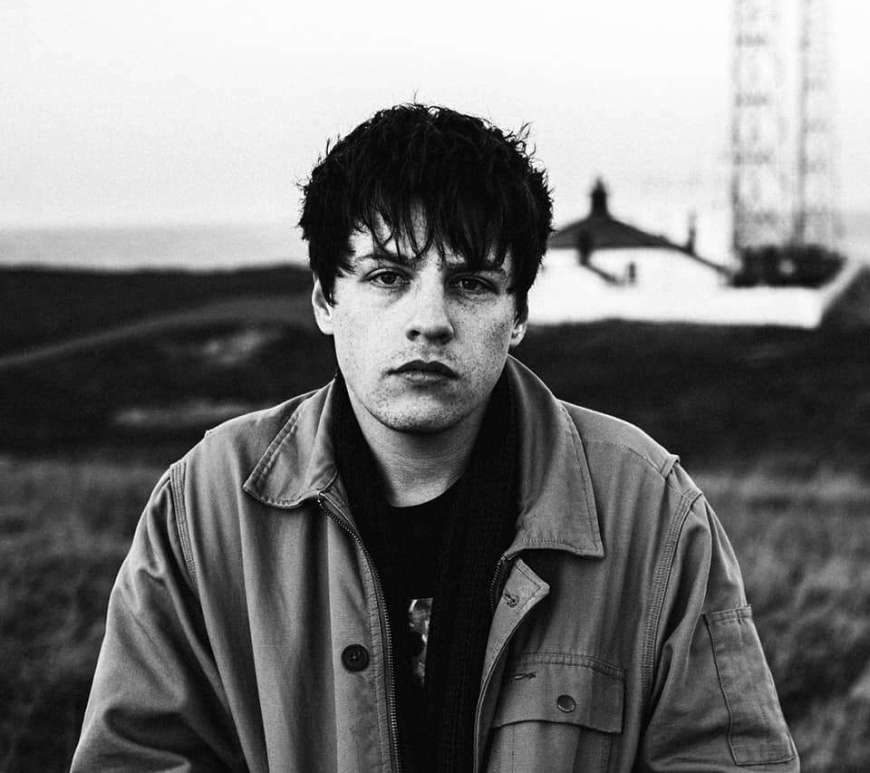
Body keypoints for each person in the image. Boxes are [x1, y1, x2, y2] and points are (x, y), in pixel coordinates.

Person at [72, 104, 798, 772]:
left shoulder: (650, 510)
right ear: (326, 299)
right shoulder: (206, 506)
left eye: (472, 283)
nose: (429, 321)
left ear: (519, 314)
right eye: (388, 276)